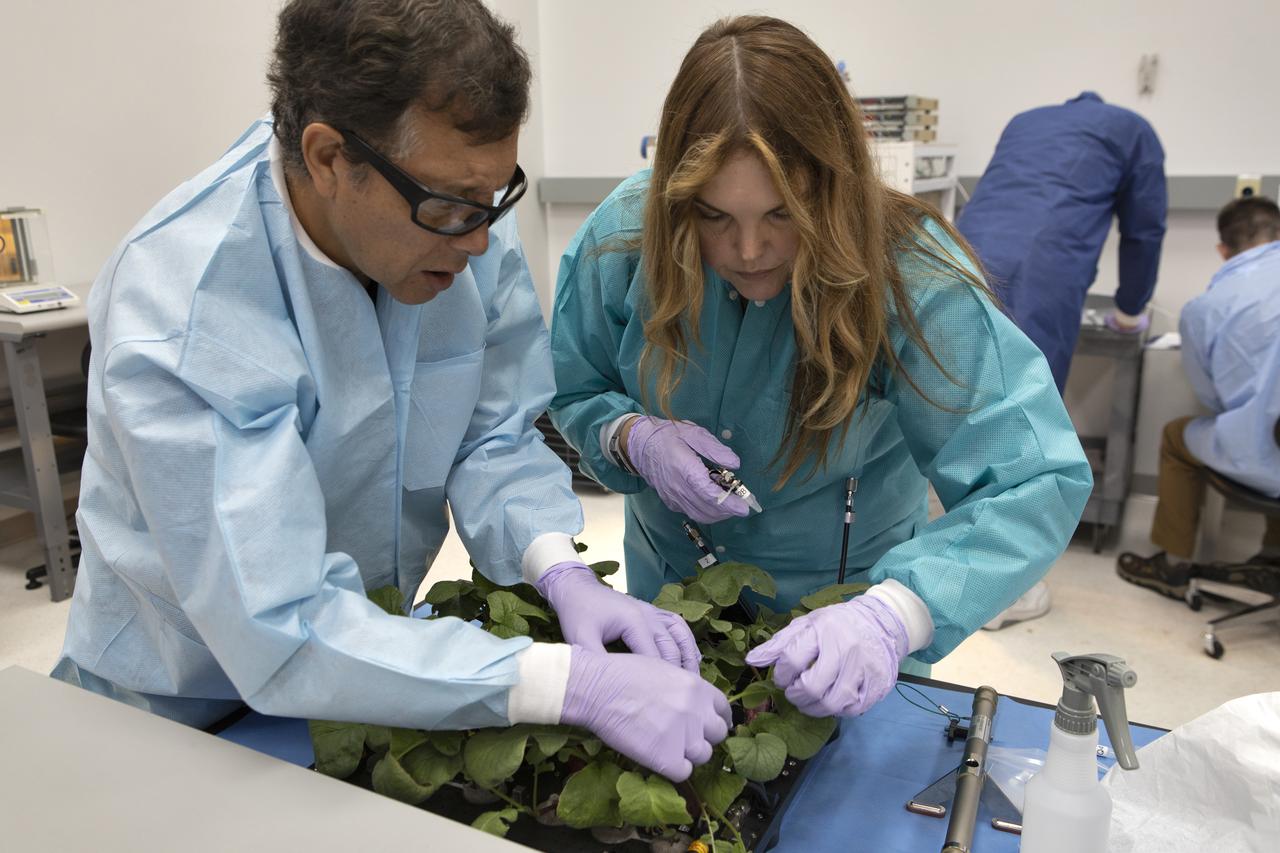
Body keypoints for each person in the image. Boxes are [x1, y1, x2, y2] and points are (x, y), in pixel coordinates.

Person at [51, 0, 727, 783]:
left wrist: (558, 567)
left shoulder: (458, 209)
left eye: (494, 197)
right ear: (331, 156)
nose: (478, 242)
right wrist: (561, 683)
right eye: (451, 208)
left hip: (364, 670)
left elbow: (491, 431)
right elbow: (281, 619)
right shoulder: (184, 309)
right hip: (172, 709)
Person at [549, 16, 1092, 718]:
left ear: (833, 184)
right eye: (715, 217)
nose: (748, 250)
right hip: (670, 611)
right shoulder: (625, 237)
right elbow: (576, 383)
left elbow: (1033, 478)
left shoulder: (911, 276)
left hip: (841, 626)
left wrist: (895, 614)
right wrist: (628, 436)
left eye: (782, 213)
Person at [1117, 197, 1280, 598]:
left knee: (1178, 437)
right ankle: (1272, 556)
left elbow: (1211, 395)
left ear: (1223, 249)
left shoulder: (1207, 309)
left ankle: (1173, 566)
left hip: (1267, 456)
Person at [957, 92, 1168, 392]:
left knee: (944, 384)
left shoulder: (1024, 121)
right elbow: (1144, 233)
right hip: (1039, 268)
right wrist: (1129, 313)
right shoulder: (1134, 130)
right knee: (1025, 401)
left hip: (957, 250)